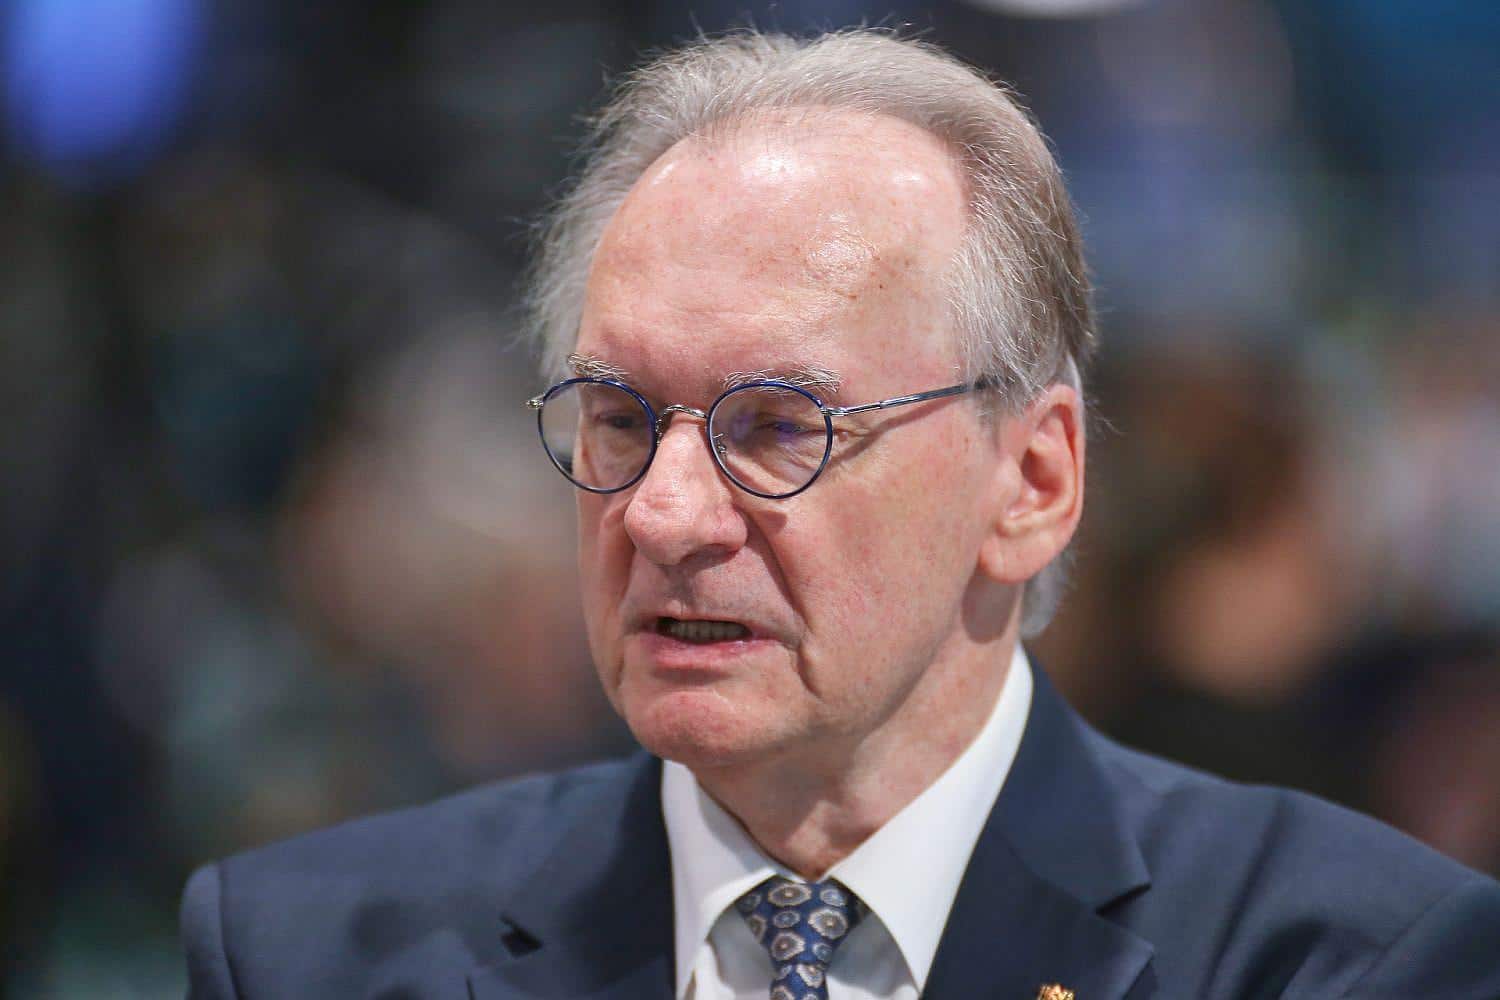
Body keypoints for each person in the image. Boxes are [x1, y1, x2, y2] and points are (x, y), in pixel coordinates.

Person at [180, 30, 1500, 999]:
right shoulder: (306, 956)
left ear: (1032, 483)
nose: (665, 514)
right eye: (622, 420)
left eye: (777, 426)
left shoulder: (1349, 961)